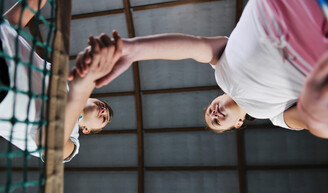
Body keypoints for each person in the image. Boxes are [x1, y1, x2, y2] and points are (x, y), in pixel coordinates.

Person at [81, 0, 328, 139]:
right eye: (217, 122)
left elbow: (194, 46)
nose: (214, 114)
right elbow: (311, 120)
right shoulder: (274, 115)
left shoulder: (221, 70)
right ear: (239, 122)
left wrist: (134, 50)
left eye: (210, 113)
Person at [0, 0, 122, 162]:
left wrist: (84, 85)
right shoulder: (62, 79)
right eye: (103, 105)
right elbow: (11, 26)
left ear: (86, 130)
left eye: (103, 119)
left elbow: (47, 143)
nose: (103, 111)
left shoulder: (71, 142)